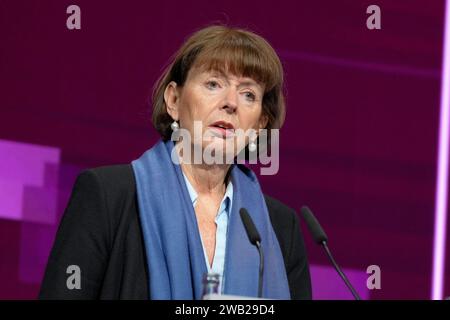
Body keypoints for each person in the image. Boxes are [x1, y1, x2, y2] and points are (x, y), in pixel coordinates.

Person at [39, 25, 312, 300]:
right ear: (174, 100)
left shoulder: (281, 227)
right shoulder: (108, 196)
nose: (231, 103)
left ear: (259, 125)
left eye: (248, 94)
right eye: (213, 84)